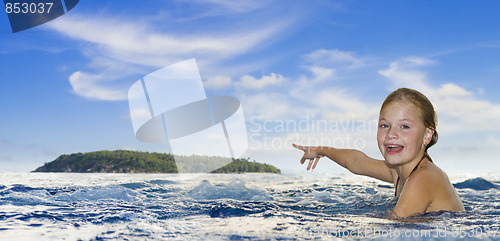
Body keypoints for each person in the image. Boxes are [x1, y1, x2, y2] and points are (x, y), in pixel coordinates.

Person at [293, 88, 464, 218]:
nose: (391, 134)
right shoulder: (400, 171)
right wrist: (320, 150)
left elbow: (390, 230)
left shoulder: (423, 178)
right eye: (384, 125)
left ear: (427, 134)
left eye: (404, 126)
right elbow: (357, 162)